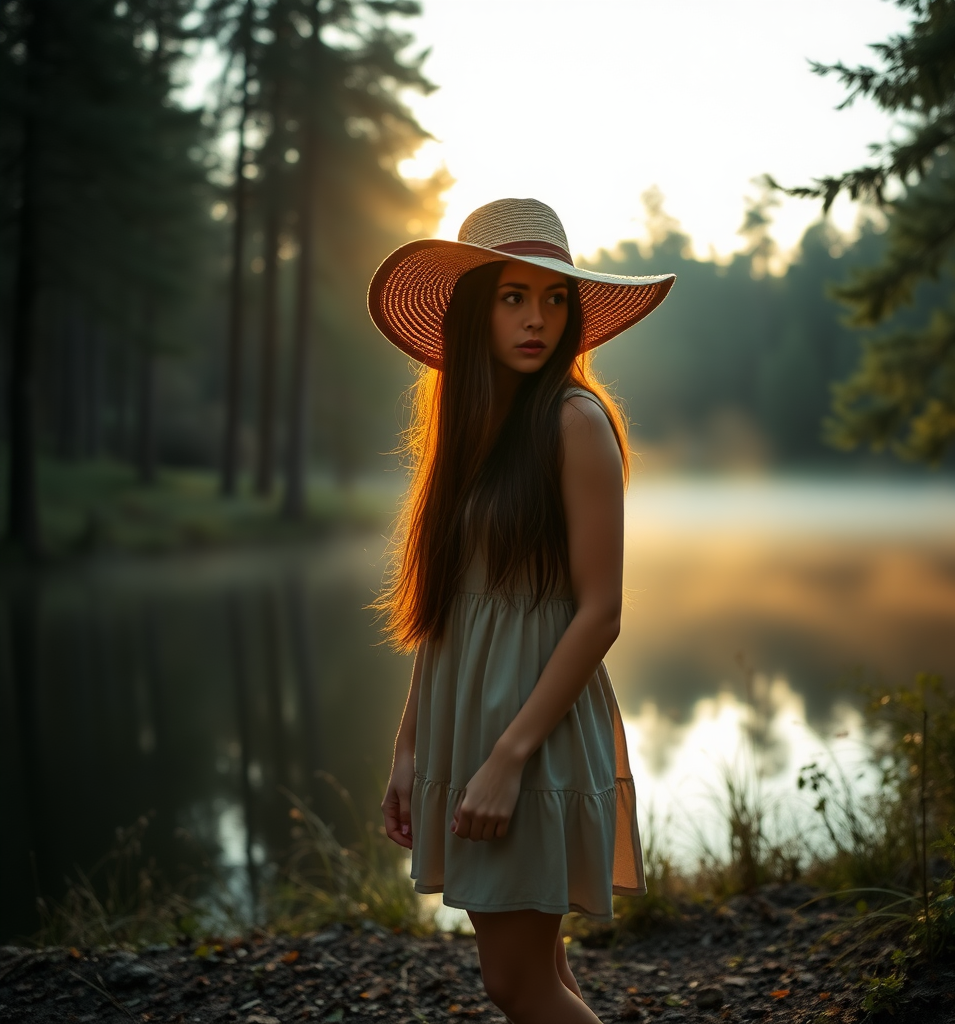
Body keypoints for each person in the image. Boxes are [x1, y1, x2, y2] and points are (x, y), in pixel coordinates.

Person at [368, 198, 675, 1024]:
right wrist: (409, 745)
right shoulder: (471, 433)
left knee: (518, 985)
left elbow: (601, 612)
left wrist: (507, 759)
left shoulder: (574, 423)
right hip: (467, 722)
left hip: (530, 731)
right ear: (476, 312)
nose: (537, 319)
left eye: (554, 299)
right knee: (541, 971)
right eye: (513, 297)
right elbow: (447, 610)